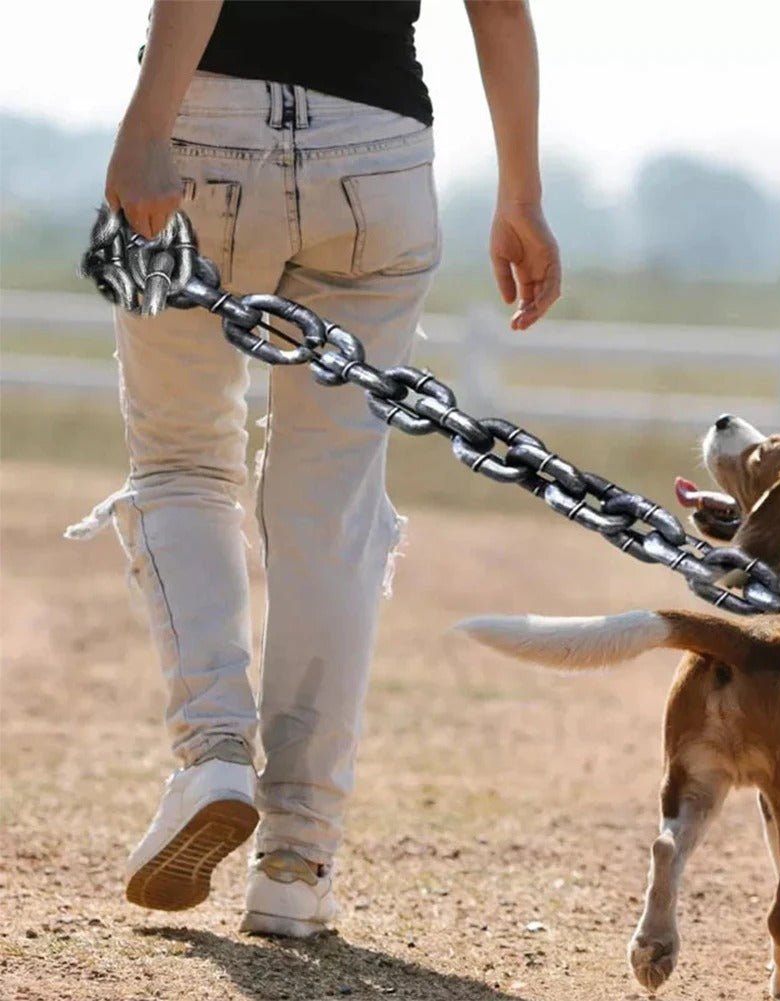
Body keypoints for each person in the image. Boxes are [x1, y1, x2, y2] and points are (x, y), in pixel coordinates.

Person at [76, 0, 561, 938]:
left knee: (180, 460)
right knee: (329, 507)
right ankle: (297, 859)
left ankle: (214, 752)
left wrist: (144, 127)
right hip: (379, 157)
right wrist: (522, 196)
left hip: (202, 125)